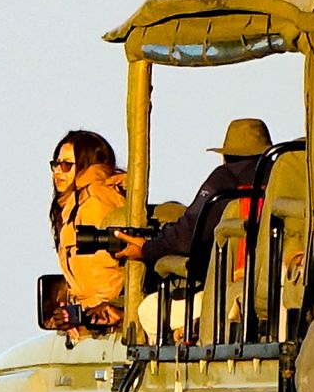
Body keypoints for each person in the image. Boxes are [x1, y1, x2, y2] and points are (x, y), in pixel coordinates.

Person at [113, 117, 272, 277]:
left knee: (152, 302)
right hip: (275, 278)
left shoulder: (225, 179)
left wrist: (148, 249)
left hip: (231, 283)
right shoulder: (280, 177)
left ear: (226, 156)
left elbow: (187, 236)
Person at [48, 129, 129, 334]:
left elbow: (114, 268)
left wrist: (99, 313)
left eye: (66, 165)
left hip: (106, 323)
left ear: (86, 165)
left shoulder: (95, 200)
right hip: (93, 319)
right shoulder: (75, 204)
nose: (58, 171)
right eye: (55, 164)